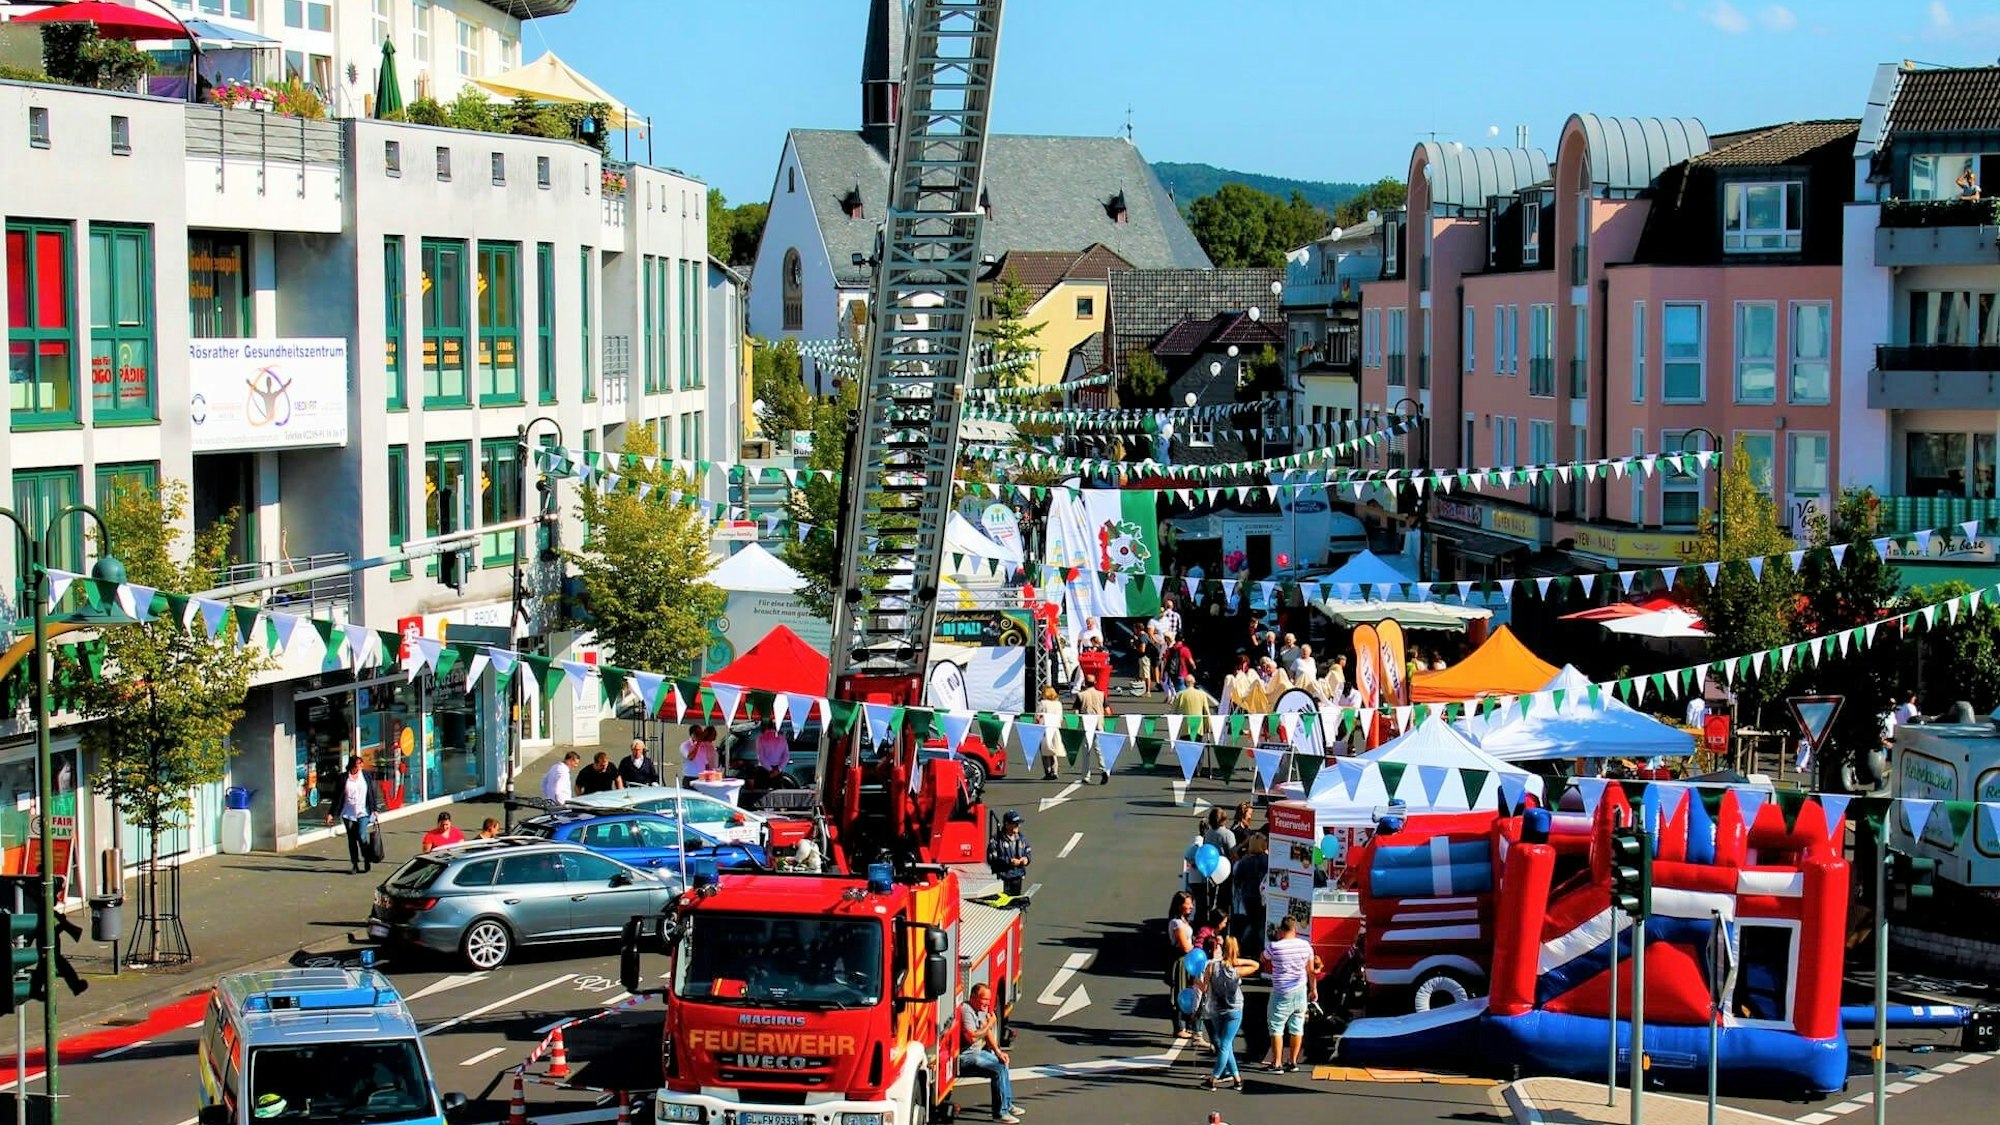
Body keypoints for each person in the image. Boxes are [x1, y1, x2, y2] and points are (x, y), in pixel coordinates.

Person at [1194, 931, 1257, 1090]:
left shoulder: (1211, 966)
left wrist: (1196, 981)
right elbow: (1255, 965)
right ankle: (1233, 1078)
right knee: (1226, 1044)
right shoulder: (1237, 971)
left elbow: (1205, 988)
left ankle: (1217, 1077)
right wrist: (1235, 960)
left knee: (1224, 1044)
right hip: (1235, 1009)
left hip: (1217, 1009)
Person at [1259, 916, 1322, 1073]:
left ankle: (1277, 1063)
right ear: (1295, 930)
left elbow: (1262, 959)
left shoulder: (1274, 947)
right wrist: (1313, 989)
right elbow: (1311, 971)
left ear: (1281, 930)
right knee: (1297, 1027)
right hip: (1300, 991)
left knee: (1276, 1027)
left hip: (1281, 992)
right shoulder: (1306, 946)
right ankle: (1292, 1062)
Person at [957, 983, 1023, 1123]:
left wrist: (998, 1052)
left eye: (988, 999)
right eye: (984, 999)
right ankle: (1000, 1113)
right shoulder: (966, 1010)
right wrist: (990, 1024)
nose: (987, 1003)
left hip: (977, 1052)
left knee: (1002, 1063)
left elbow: (987, 1034)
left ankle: (1007, 1104)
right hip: (965, 1056)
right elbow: (972, 1037)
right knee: (997, 1071)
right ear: (974, 997)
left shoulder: (980, 1010)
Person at [326, 756, 381, 875]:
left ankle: (366, 858)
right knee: (352, 839)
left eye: (361, 764)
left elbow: (371, 792)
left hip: (363, 812)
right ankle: (355, 864)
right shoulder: (343, 778)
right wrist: (331, 813)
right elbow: (337, 797)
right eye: (358, 764)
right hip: (348, 813)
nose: (360, 766)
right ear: (352, 766)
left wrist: (374, 809)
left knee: (362, 835)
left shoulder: (365, 775)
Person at [1165, 890, 1198, 1039]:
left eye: (1191, 904)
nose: (1191, 907)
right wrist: (1197, 947)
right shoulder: (1176, 923)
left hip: (1188, 960)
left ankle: (1187, 1024)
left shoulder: (1185, 921)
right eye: (1188, 904)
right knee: (1180, 992)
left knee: (1189, 990)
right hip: (1181, 960)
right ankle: (1179, 1027)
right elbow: (1184, 946)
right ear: (1180, 906)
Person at [1233, 834, 1269, 958]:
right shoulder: (1266, 859)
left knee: (1252, 923)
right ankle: (1261, 951)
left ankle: (1241, 948)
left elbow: (1237, 879)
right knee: (1261, 924)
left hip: (1247, 896)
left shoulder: (1245, 860)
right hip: (1262, 896)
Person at [987, 809, 1032, 896]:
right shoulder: (996, 840)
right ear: (1007, 824)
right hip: (1002, 878)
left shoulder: (1022, 839)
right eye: (1015, 824)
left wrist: (1026, 859)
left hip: (1017, 877)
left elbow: (1028, 851)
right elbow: (992, 858)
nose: (1018, 826)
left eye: (1018, 824)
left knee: (1015, 901)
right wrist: (1009, 861)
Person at [754, 720, 791, 785]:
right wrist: (779, 769)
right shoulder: (782, 738)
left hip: (764, 770)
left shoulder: (761, 738)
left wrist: (770, 769)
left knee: (762, 792)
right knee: (778, 792)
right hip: (778, 770)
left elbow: (761, 757)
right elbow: (786, 756)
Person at [1162, 633, 1196, 701]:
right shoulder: (1185, 649)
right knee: (1182, 692)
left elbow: (1165, 660)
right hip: (1182, 673)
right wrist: (1194, 669)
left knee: (1176, 690)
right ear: (1183, 640)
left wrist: (1164, 672)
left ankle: (1177, 703)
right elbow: (1191, 662)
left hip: (1172, 674)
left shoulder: (1171, 649)